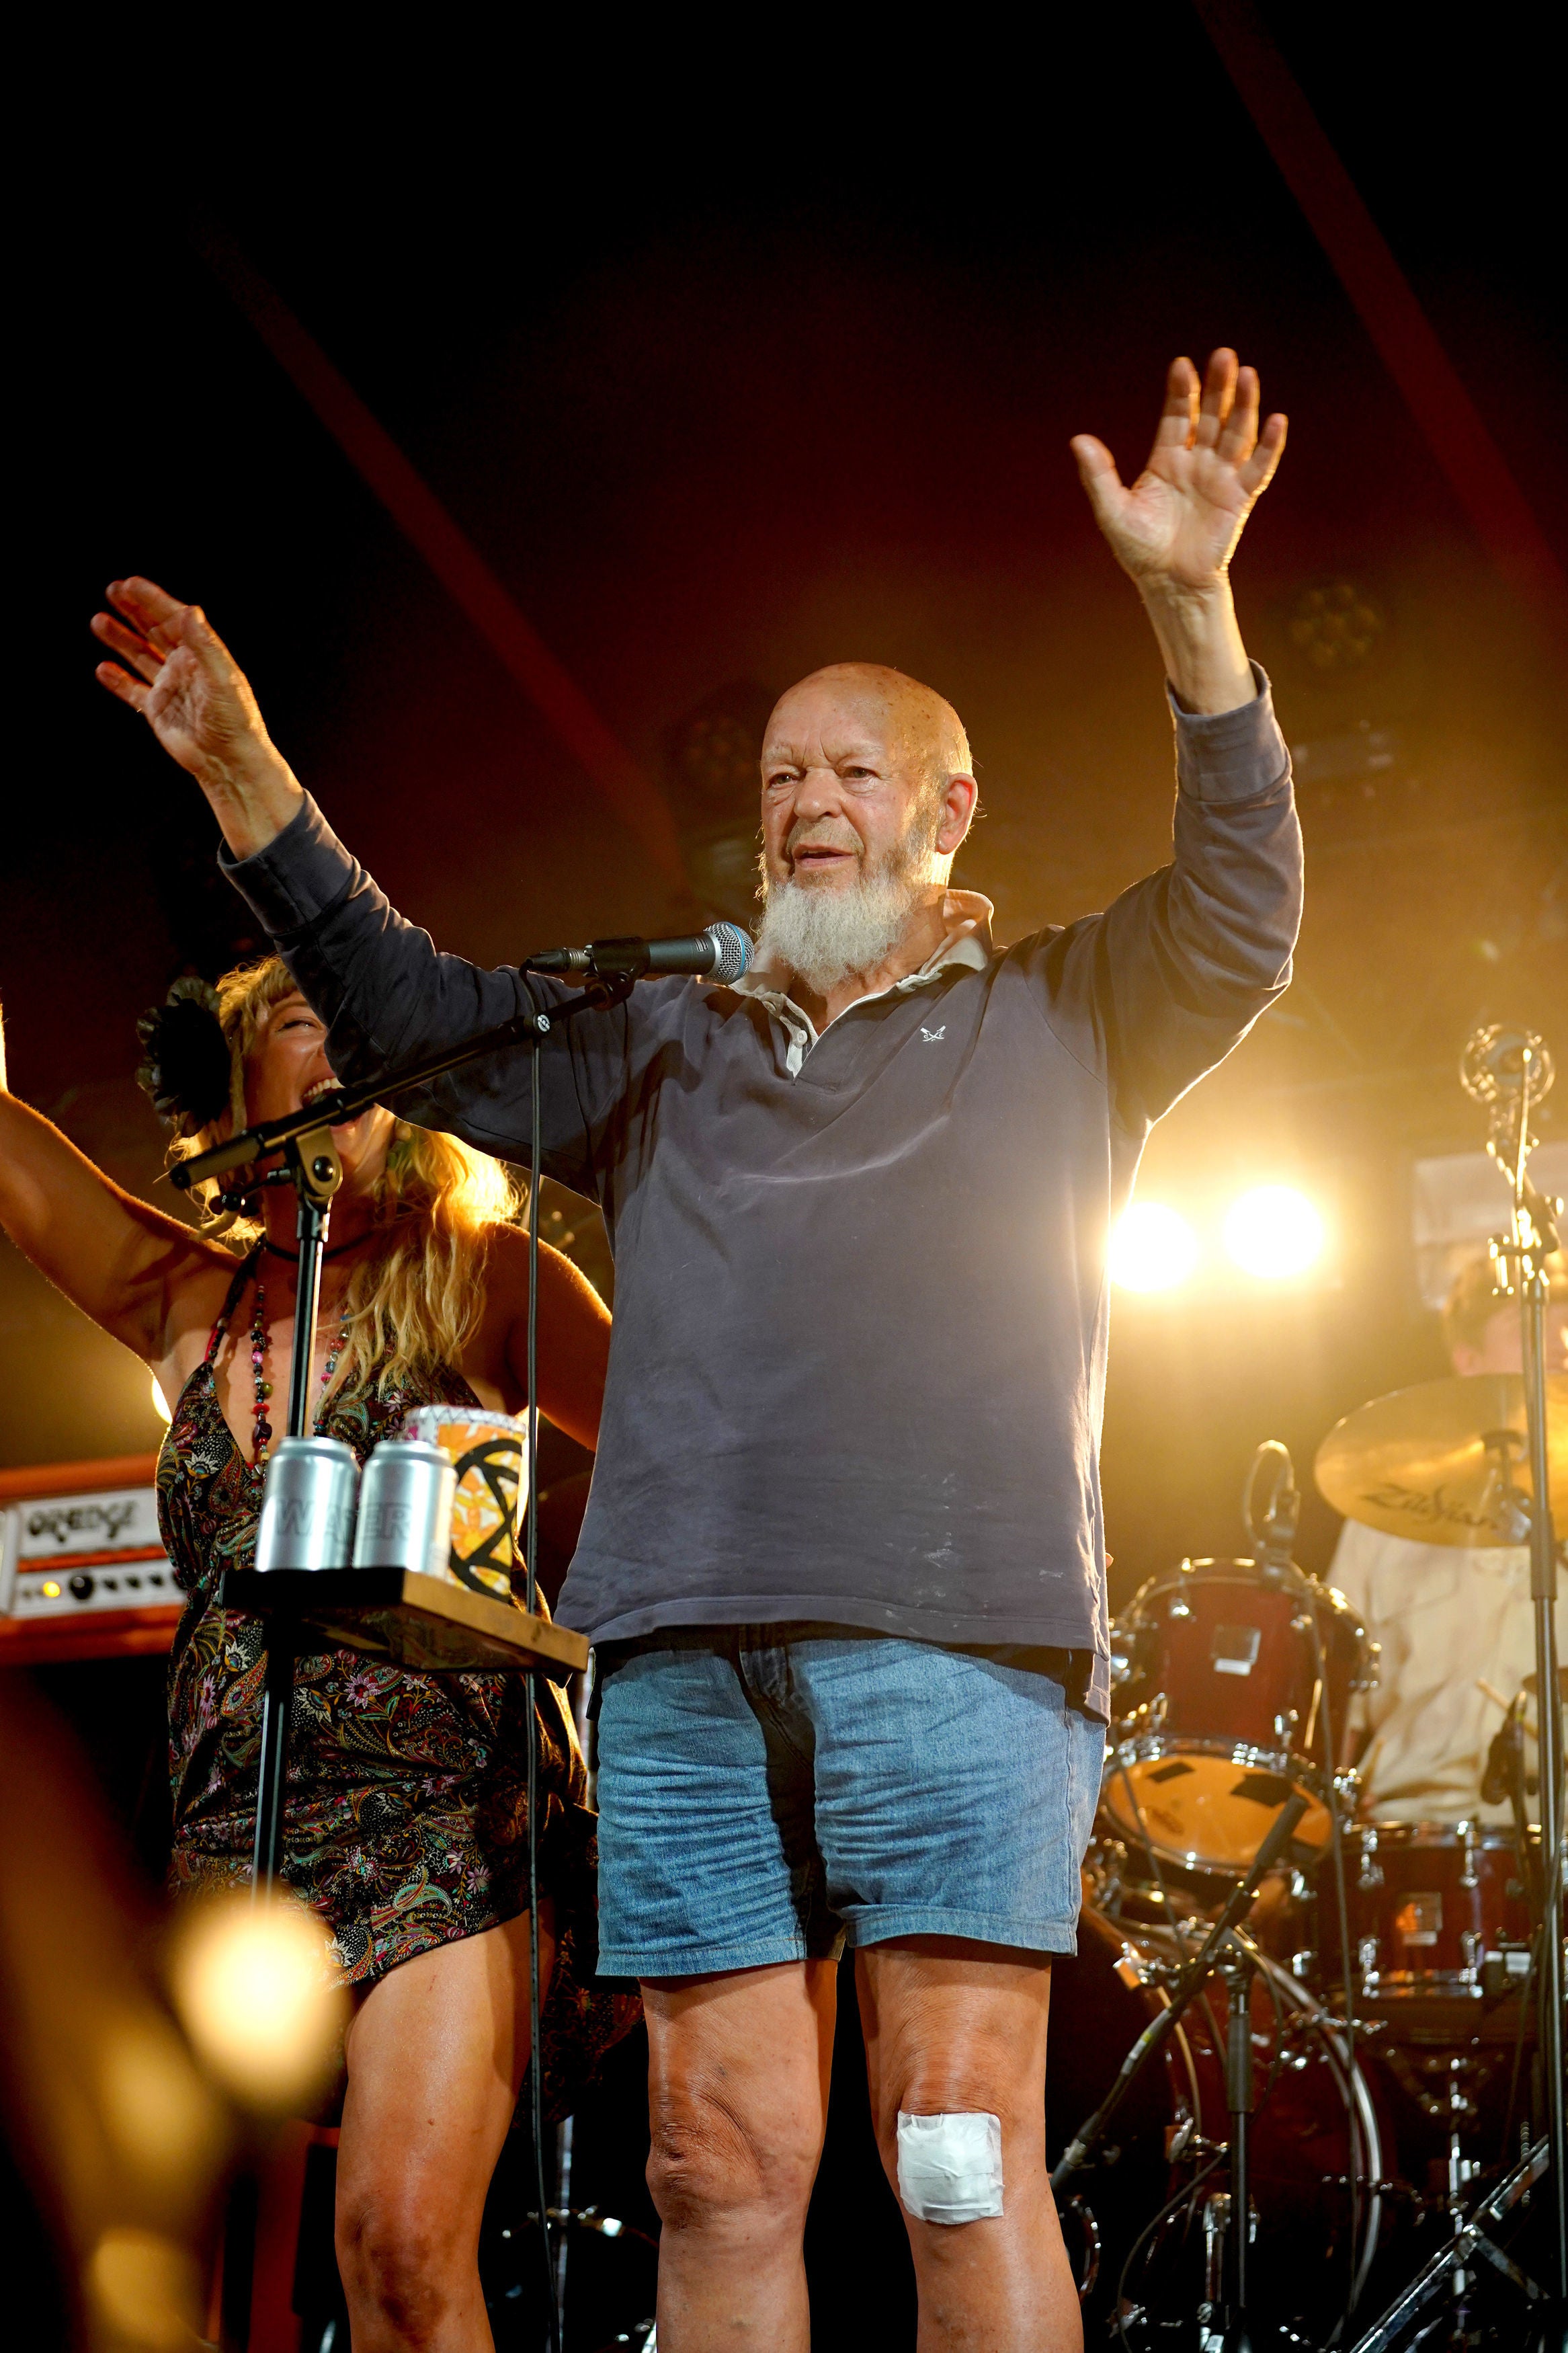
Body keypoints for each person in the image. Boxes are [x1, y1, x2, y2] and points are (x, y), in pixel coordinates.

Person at [92, 348, 1299, 2353]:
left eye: (849, 772)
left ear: (945, 808)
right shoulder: (667, 1031)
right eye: (776, 784)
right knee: (714, 2161)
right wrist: (245, 767)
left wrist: (1189, 601)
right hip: (678, 1664)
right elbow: (401, 1007)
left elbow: (1247, 908)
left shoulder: (1072, 1010)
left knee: (951, 2139)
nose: (804, 805)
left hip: (955, 1639)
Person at [0, 956, 635, 2353]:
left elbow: (687, 1437)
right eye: (300, 1020)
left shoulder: (486, 1275)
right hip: (240, 1816)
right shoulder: (187, 1294)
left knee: (399, 2248)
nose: (337, 1044)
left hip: (445, 1818)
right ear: (241, 1085)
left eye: (359, 1025)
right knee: (194, 2273)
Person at [1330, 1252, 1568, 1826]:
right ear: (1468, 1359)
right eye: (1528, 1325)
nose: (1560, 1342)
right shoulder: (1379, 1510)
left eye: (1564, 1324)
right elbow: (1336, 1694)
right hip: (1408, 1825)